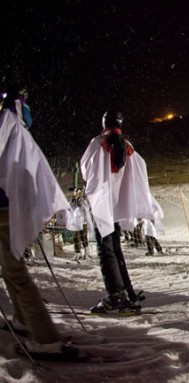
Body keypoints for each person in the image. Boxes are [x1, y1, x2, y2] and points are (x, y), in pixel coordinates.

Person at [0, 83, 78, 357]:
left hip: (4, 210)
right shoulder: (18, 126)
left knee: (16, 273)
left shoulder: (6, 122)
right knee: (10, 270)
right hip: (12, 207)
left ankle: (45, 339)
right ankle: (23, 320)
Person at [81, 110, 159, 312]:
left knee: (105, 250)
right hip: (118, 206)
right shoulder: (128, 146)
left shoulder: (98, 143)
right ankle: (127, 291)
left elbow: (85, 169)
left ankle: (115, 295)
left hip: (102, 205)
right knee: (115, 249)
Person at [67, 186, 93, 261]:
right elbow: (69, 208)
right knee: (75, 238)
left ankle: (86, 252)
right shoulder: (72, 201)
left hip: (83, 222)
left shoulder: (83, 201)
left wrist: (80, 204)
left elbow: (87, 209)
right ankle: (77, 253)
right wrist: (72, 202)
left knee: (83, 237)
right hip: (75, 222)